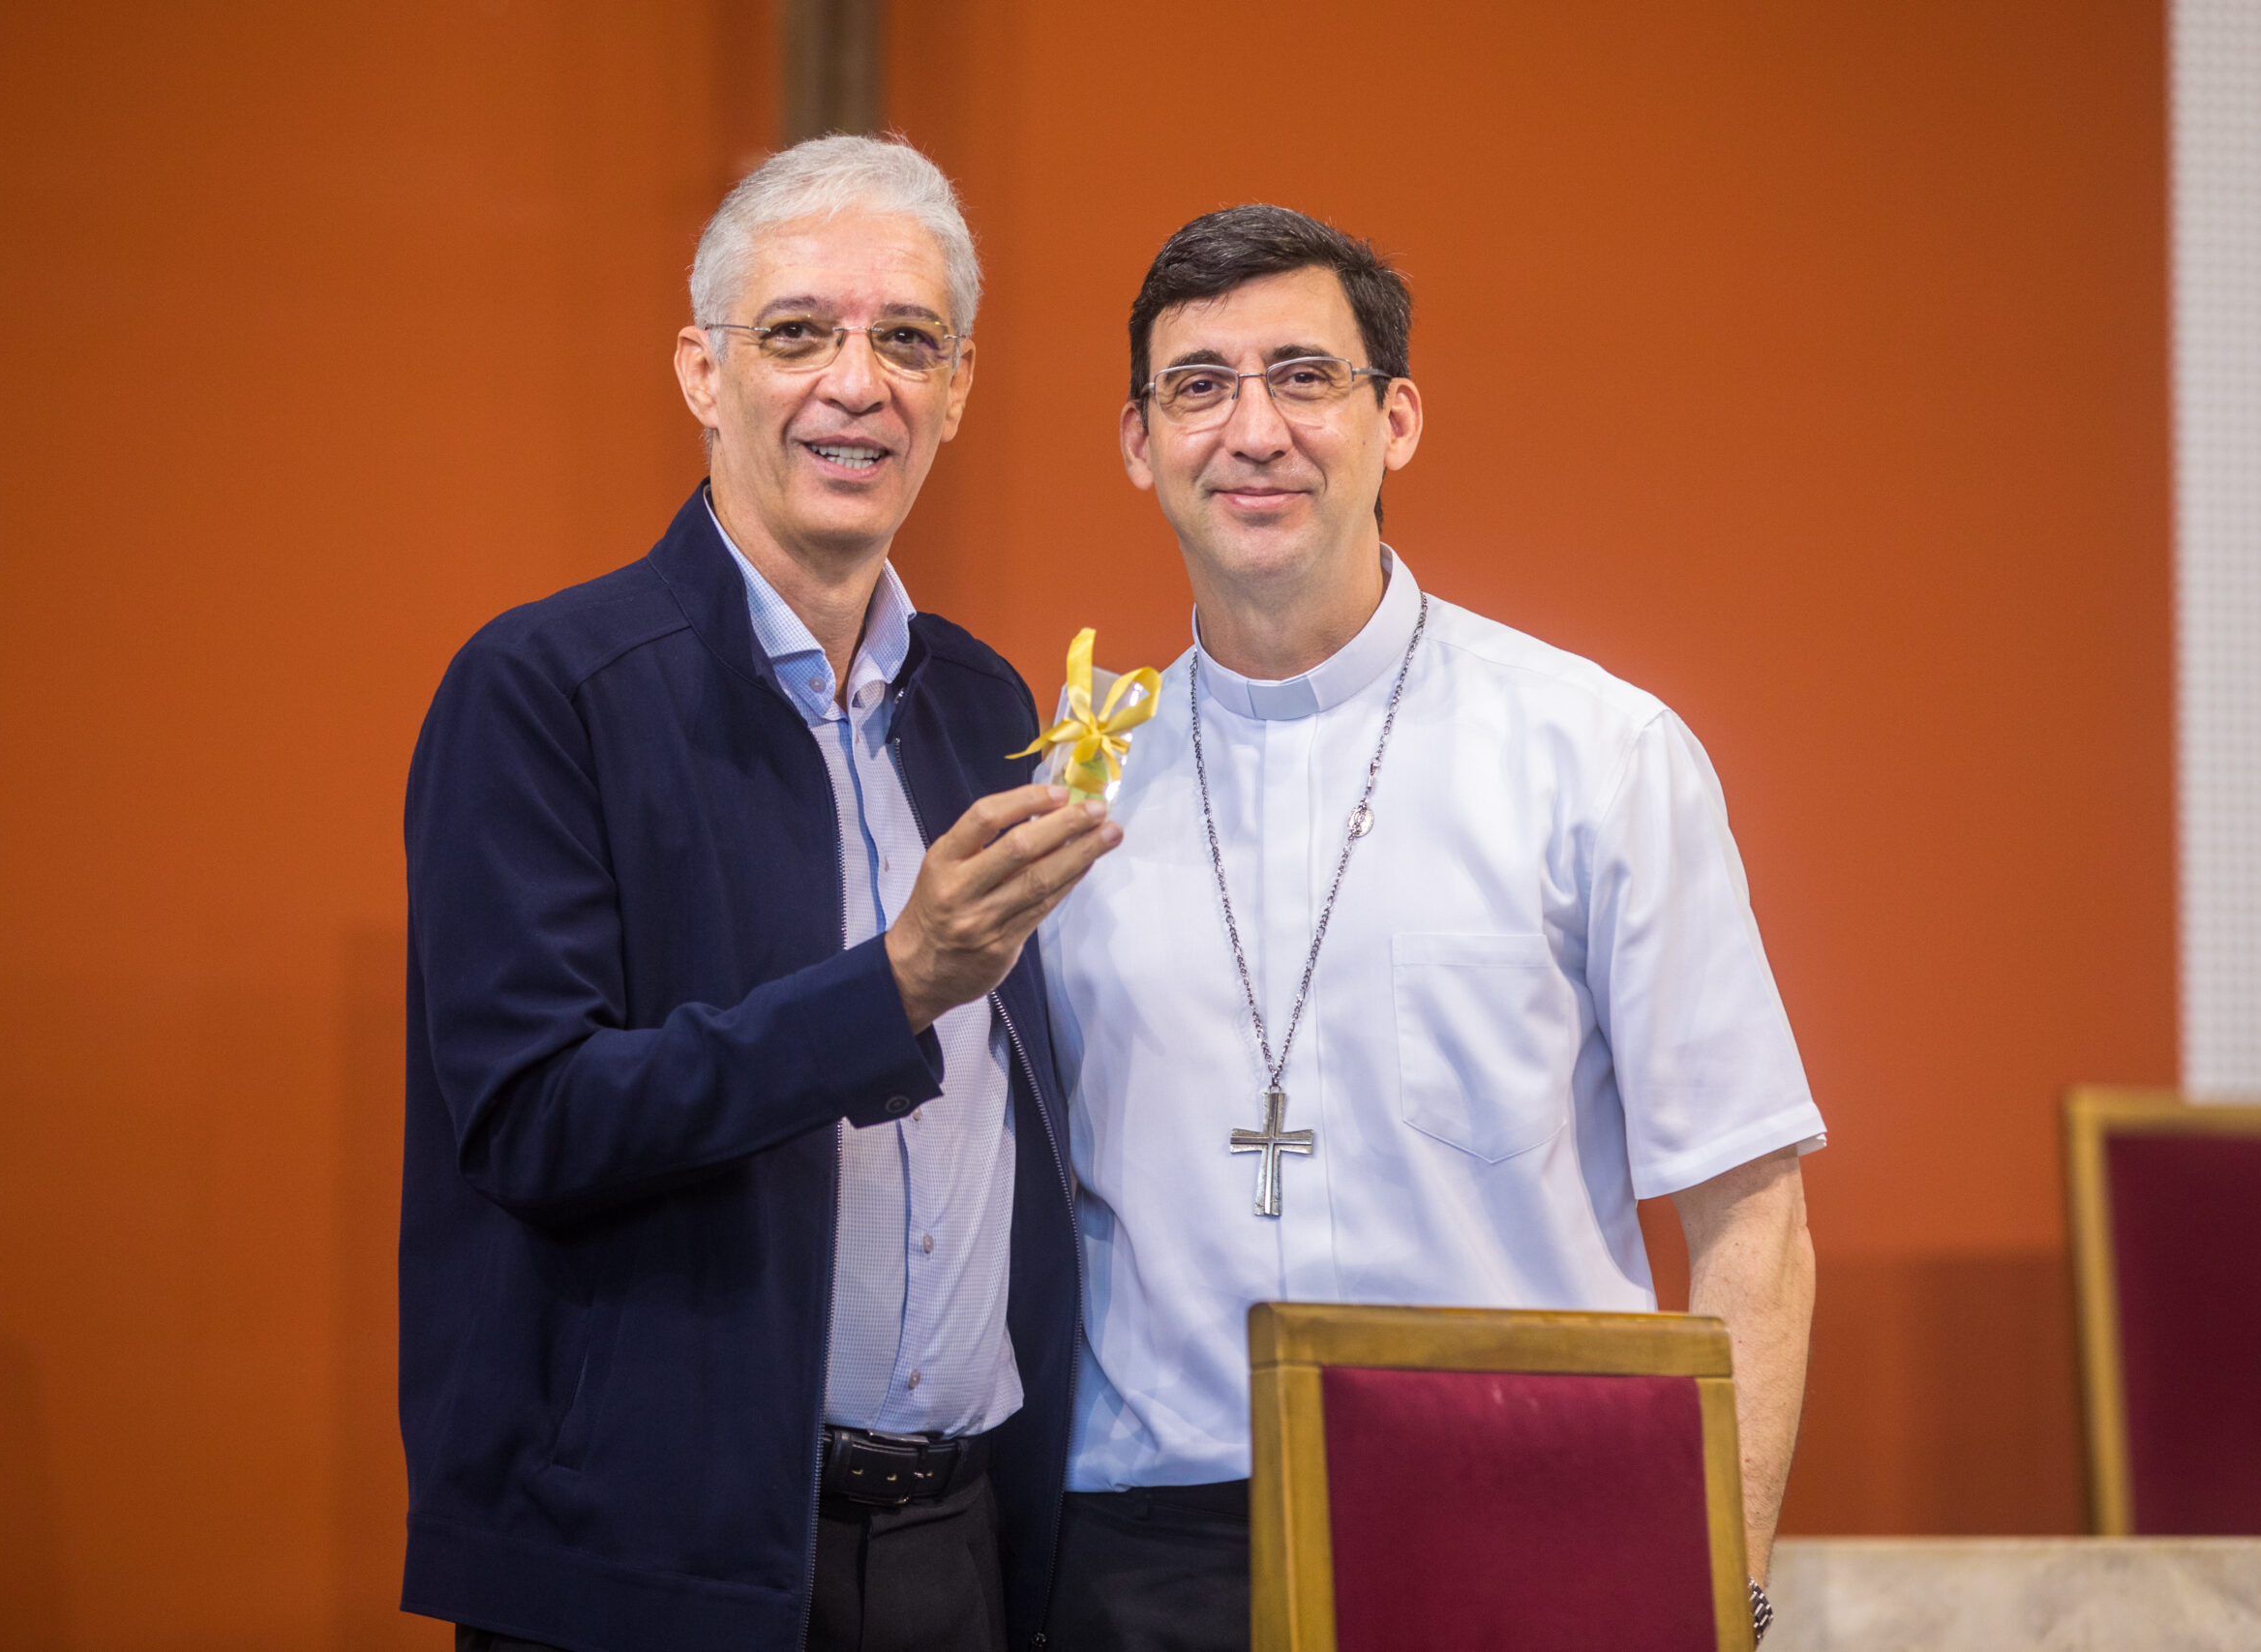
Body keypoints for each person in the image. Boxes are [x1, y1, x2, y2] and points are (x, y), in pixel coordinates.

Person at [1039, 205, 1823, 1651]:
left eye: (1304, 376)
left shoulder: (1596, 754)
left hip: (1524, 1510)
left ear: (1395, 419)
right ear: (1140, 444)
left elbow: (1750, 1215)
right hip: (1153, 1563)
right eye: (1197, 386)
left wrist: (1730, 1586)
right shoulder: (1069, 799)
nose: (1251, 429)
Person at [400, 135, 1117, 1652]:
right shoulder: (543, 690)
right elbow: (533, 1117)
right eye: (797, 333)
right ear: (700, 372)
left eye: (907, 341)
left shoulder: (983, 701)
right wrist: (893, 988)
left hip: (960, 1547)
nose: (856, 384)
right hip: (660, 1565)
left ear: (960, 391)